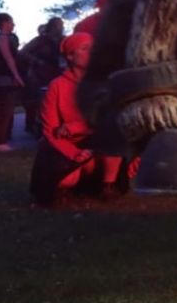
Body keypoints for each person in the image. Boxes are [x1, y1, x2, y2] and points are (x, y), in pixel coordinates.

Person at [28, 32, 123, 205]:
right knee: (66, 180)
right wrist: (73, 153)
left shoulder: (103, 84)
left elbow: (107, 121)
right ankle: (71, 185)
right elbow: (50, 130)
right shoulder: (57, 86)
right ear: (71, 56)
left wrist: (75, 127)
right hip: (68, 146)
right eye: (85, 48)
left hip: (96, 145)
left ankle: (108, 186)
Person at [19, 17, 64, 135]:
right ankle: (34, 125)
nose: (61, 27)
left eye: (61, 25)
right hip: (39, 75)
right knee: (37, 100)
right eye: (58, 25)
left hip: (57, 73)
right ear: (52, 27)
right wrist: (37, 61)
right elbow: (23, 52)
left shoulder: (62, 40)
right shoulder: (40, 40)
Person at [0, 13, 24, 151]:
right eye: (11, 22)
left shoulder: (4, 38)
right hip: (3, 79)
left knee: (5, 109)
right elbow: (9, 59)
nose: (13, 25)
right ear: (5, 23)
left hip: (1, 79)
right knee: (5, 109)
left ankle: (0, 139)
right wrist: (17, 76)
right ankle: (0, 141)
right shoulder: (2, 38)